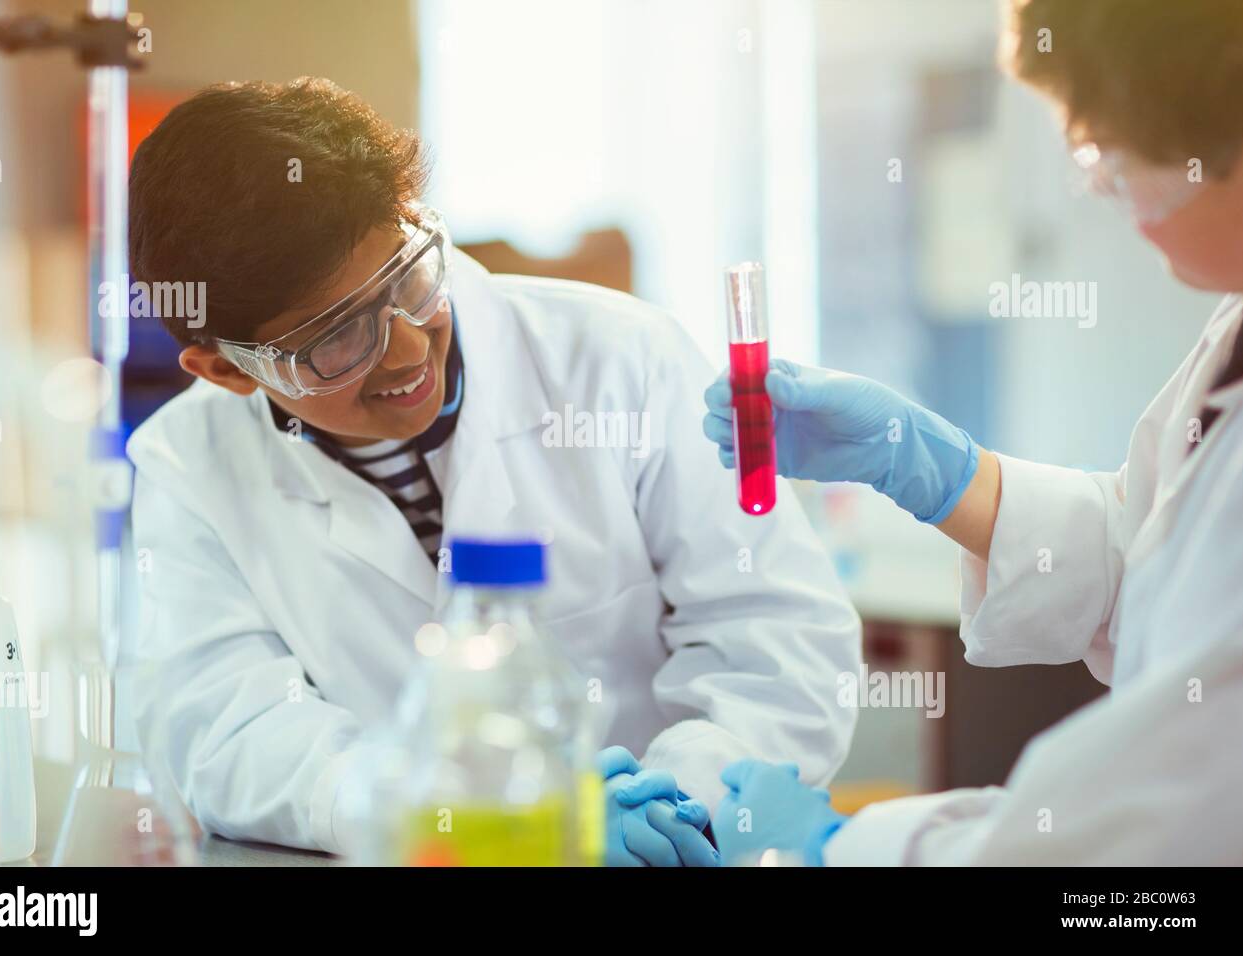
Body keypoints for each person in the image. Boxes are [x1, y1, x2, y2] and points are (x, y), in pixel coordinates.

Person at [125, 78, 862, 865]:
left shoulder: (624, 362)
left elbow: (777, 641)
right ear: (228, 371)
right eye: (337, 339)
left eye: (406, 279)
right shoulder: (187, 466)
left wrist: (683, 799)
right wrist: (452, 818)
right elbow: (227, 733)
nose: (408, 352)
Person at [703, 0, 1243, 866]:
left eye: (1112, 156)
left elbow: (1150, 837)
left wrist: (838, 849)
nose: (1104, 190)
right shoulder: (1235, 328)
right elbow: (1148, 554)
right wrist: (935, 469)